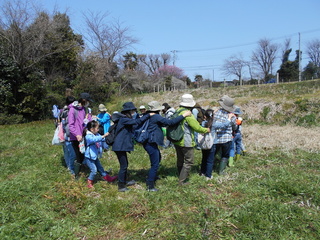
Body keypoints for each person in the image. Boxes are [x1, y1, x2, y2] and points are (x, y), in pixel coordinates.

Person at [142, 101, 191, 191]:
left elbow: (164, 123)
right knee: (155, 164)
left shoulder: (147, 115)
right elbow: (170, 122)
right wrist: (183, 115)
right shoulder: (155, 116)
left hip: (148, 141)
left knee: (158, 158)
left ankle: (153, 176)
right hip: (150, 142)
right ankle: (150, 185)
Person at [111, 102, 155, 192]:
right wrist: (148, 115)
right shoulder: (123, 119)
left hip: (120, 145)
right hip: (119, 146)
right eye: (132, 110)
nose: (133, 112)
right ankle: (121, 186)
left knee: (125, 164)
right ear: (128, 111)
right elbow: (136, 122)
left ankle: (123, 181)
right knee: (124, 166)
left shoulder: (124, 119)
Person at [172, 94, 210, 185]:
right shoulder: (188, 114)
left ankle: (180, 175)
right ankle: (182, 181)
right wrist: (206, 130)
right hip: (186, 140)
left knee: (180, 159)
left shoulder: (177, 111)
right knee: (189, 161)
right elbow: (196, 127)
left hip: (177, 139)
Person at [199, 109, 235, 179]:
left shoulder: (203, 123)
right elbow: (224, 125)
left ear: (204, 117)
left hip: (204, 144)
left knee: (204, 158)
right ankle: (208, 176)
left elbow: (208, 118)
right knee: (210, 160)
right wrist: (229, 118)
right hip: (212, 144)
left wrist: (212, 113)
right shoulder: (214, 124)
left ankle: (202, 172)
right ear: (213, 117)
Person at [83, 120, 118, 188]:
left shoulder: (96, 134)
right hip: (89, 157)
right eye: (97, 128)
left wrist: (109, 138)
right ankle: (89, 181)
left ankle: (107, 178)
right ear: (92, 129)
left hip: (94, 156)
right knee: (94, 170)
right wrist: (103, 135)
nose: (98, 129)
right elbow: (94, 140)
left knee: (100, 168)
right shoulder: (88, 136)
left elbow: (102, 139)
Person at [68, 92, 94, 178]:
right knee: (78, 155)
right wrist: (77, 134)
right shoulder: (72, 109)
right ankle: (76, 175)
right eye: (87, 101)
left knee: (82, 154)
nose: (88, 103)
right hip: (75, 137)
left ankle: (81, 170)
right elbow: (71, 125)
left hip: (82, 136)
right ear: (83, 100)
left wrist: (86, 125)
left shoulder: (83, 109)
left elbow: (83, 122)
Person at [210, 95, 237, 175]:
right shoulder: (231, 116)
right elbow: (234, 127)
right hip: (226, 139)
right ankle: (221, 171)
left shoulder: (216, 112)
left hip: (215, 138)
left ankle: (210, 168)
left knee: (213, 154)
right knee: (225, 155)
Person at [60, 96, 76, 175]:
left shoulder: (63, 111)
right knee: (70, 153)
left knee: (69, 153)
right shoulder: (65, 112)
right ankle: (71, 169)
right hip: (67, 135)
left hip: (68, 135)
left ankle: (70, 167)